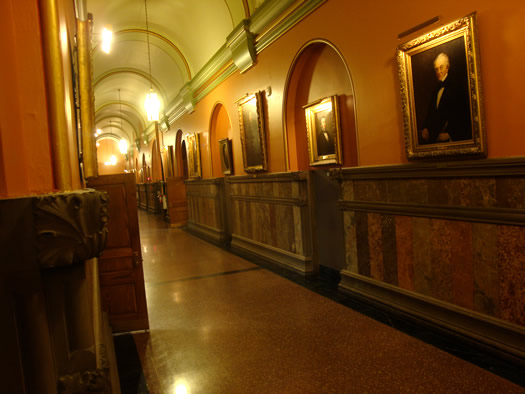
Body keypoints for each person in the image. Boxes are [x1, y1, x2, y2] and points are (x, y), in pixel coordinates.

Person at [420, 52, 471, 144]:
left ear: (447, 68)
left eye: (441, 67)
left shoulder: (456, 87)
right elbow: (430, 113)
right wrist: (425, 127)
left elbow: (463, 115)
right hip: (435, 139)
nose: (439, 71)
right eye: (436, 69)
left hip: (452, 140)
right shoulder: (436, 90)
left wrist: (450, 134)